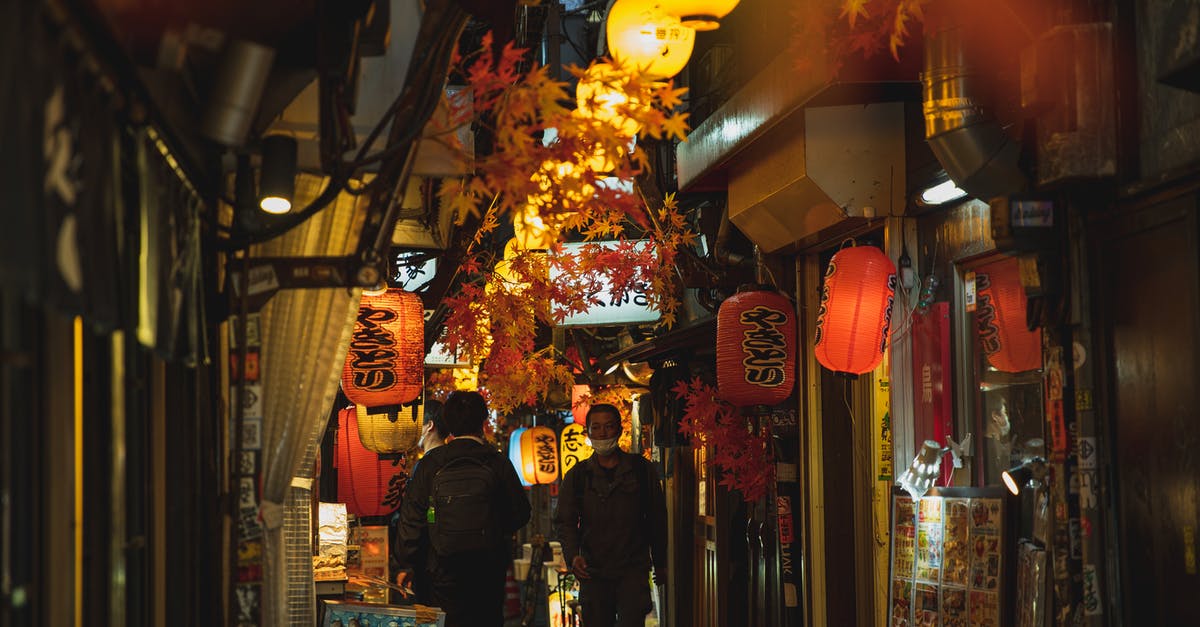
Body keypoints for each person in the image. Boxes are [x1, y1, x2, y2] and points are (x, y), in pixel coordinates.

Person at [393, 391, 531, 627]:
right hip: (488, 572)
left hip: (440, 573)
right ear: (483, 422)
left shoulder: (430, 464)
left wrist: (408, 564)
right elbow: (520, 514)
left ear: (447, 424)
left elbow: (411, 521)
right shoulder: (497, 462)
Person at [554, 403, 668, 627]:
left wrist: (661, 562)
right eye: (595, 428)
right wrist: (572, 556)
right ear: (587, 432)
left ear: (620, 429)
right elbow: (565, 521)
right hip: (593, 571)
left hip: (632, 569)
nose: (602, 433)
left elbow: (657, 518)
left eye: (608, 426)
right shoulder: (578, 476)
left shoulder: (641, 470)